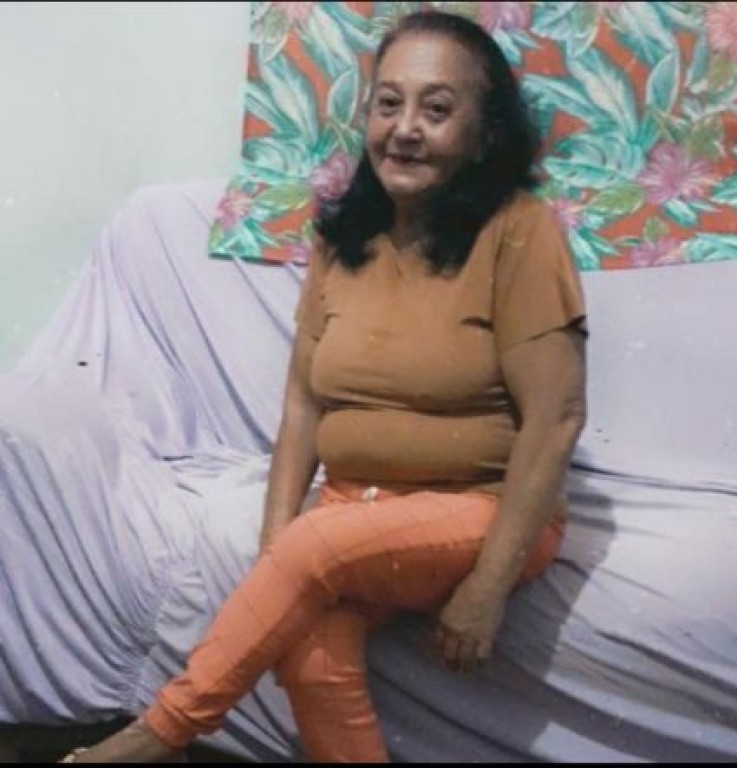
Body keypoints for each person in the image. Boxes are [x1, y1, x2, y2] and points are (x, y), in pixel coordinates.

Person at [64, 9, 587, 764]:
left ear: (484, 135)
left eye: (437, 110)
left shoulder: (520, 230)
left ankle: (157, 735)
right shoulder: (342, 239)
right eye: (388, 103)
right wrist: (278, 549)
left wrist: (487, 587)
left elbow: (557, 418)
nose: (404, 129)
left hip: (486, 508)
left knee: (315, 546)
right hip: (352, 507)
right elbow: (304, 402)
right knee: (309, 650)